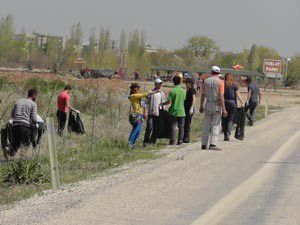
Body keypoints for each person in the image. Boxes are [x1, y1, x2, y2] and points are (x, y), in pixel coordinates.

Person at [200, 66, 228, 150]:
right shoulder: (220, 82)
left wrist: (201, 106)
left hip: (208, 104)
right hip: (216, 105)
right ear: (218, 73)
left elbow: (203, 94)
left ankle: (204, 144)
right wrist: (224, 109)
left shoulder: (206, 81)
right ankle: (212, 144)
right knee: (215, 125)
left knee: (206, 125)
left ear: (211, 72)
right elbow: (221, 96)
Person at [8, 89, 38, 158]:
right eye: (36, 96)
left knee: (14, 145)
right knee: (25, 145)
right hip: (25, 126)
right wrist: (34, 127)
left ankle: (9, 160)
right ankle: (22, 162)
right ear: (33, 95)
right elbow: (34, 119)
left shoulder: (18, 101)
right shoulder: (33, 104)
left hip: (15, 125)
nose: (36, 98)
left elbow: (12, 114)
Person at [128, 83, 157, 148]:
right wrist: (149, 93)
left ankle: (133, 144)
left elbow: (143, 104)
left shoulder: (138, 96)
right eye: (135, 88)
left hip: (140, 115)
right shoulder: (132, 96)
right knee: (135, 130)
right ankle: (130, 144)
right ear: (132, 89)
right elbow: (143, 95)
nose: (136, 89)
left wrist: (143, 113)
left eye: (137, 88)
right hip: (136, 115)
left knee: (138, 131)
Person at [163, 75, 186, 145]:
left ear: (173, 82)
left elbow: (169, 102)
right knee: (181, 127)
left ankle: (172, 141)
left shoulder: (172, 91)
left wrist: (163, 103)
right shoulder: (183, 91)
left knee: (173, 126)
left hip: (173, 111)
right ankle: (180, 141)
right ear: (180, 82)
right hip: (182, 111)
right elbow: (184, 100)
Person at [143, 79, 165, 146]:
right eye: (159, 83)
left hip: (159, 113)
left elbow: (163, 103)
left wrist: (164, 112)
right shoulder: (150, 92)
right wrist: (144, 112)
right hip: (151, 113)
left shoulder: (162, 93)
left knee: (156, 129)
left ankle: (152, 142)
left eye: (161, 83)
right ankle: (145, 142)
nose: (160, 85)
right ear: (155, 84)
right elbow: (145, 103)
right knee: (149, 127)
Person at [222, 73, 244, 141]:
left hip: (224, 103)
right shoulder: (234, 85)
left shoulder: (223, 84)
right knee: (230, 119)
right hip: (232, 104)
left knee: (224, 120)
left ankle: (226, 135)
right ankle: (228, 131)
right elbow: (238, 95)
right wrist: (242, 102)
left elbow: (220, 95)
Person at [183, 78, 196, 143]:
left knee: (187, 123)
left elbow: (194, 99)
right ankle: (185, 137)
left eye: (186, 83)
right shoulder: (188, 90)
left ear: (190, 83)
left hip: (189, 109)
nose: (185, 84)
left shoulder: (192, 90)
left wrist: (191, 108)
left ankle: (187, 138)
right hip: (186, 108)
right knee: (185, 123)